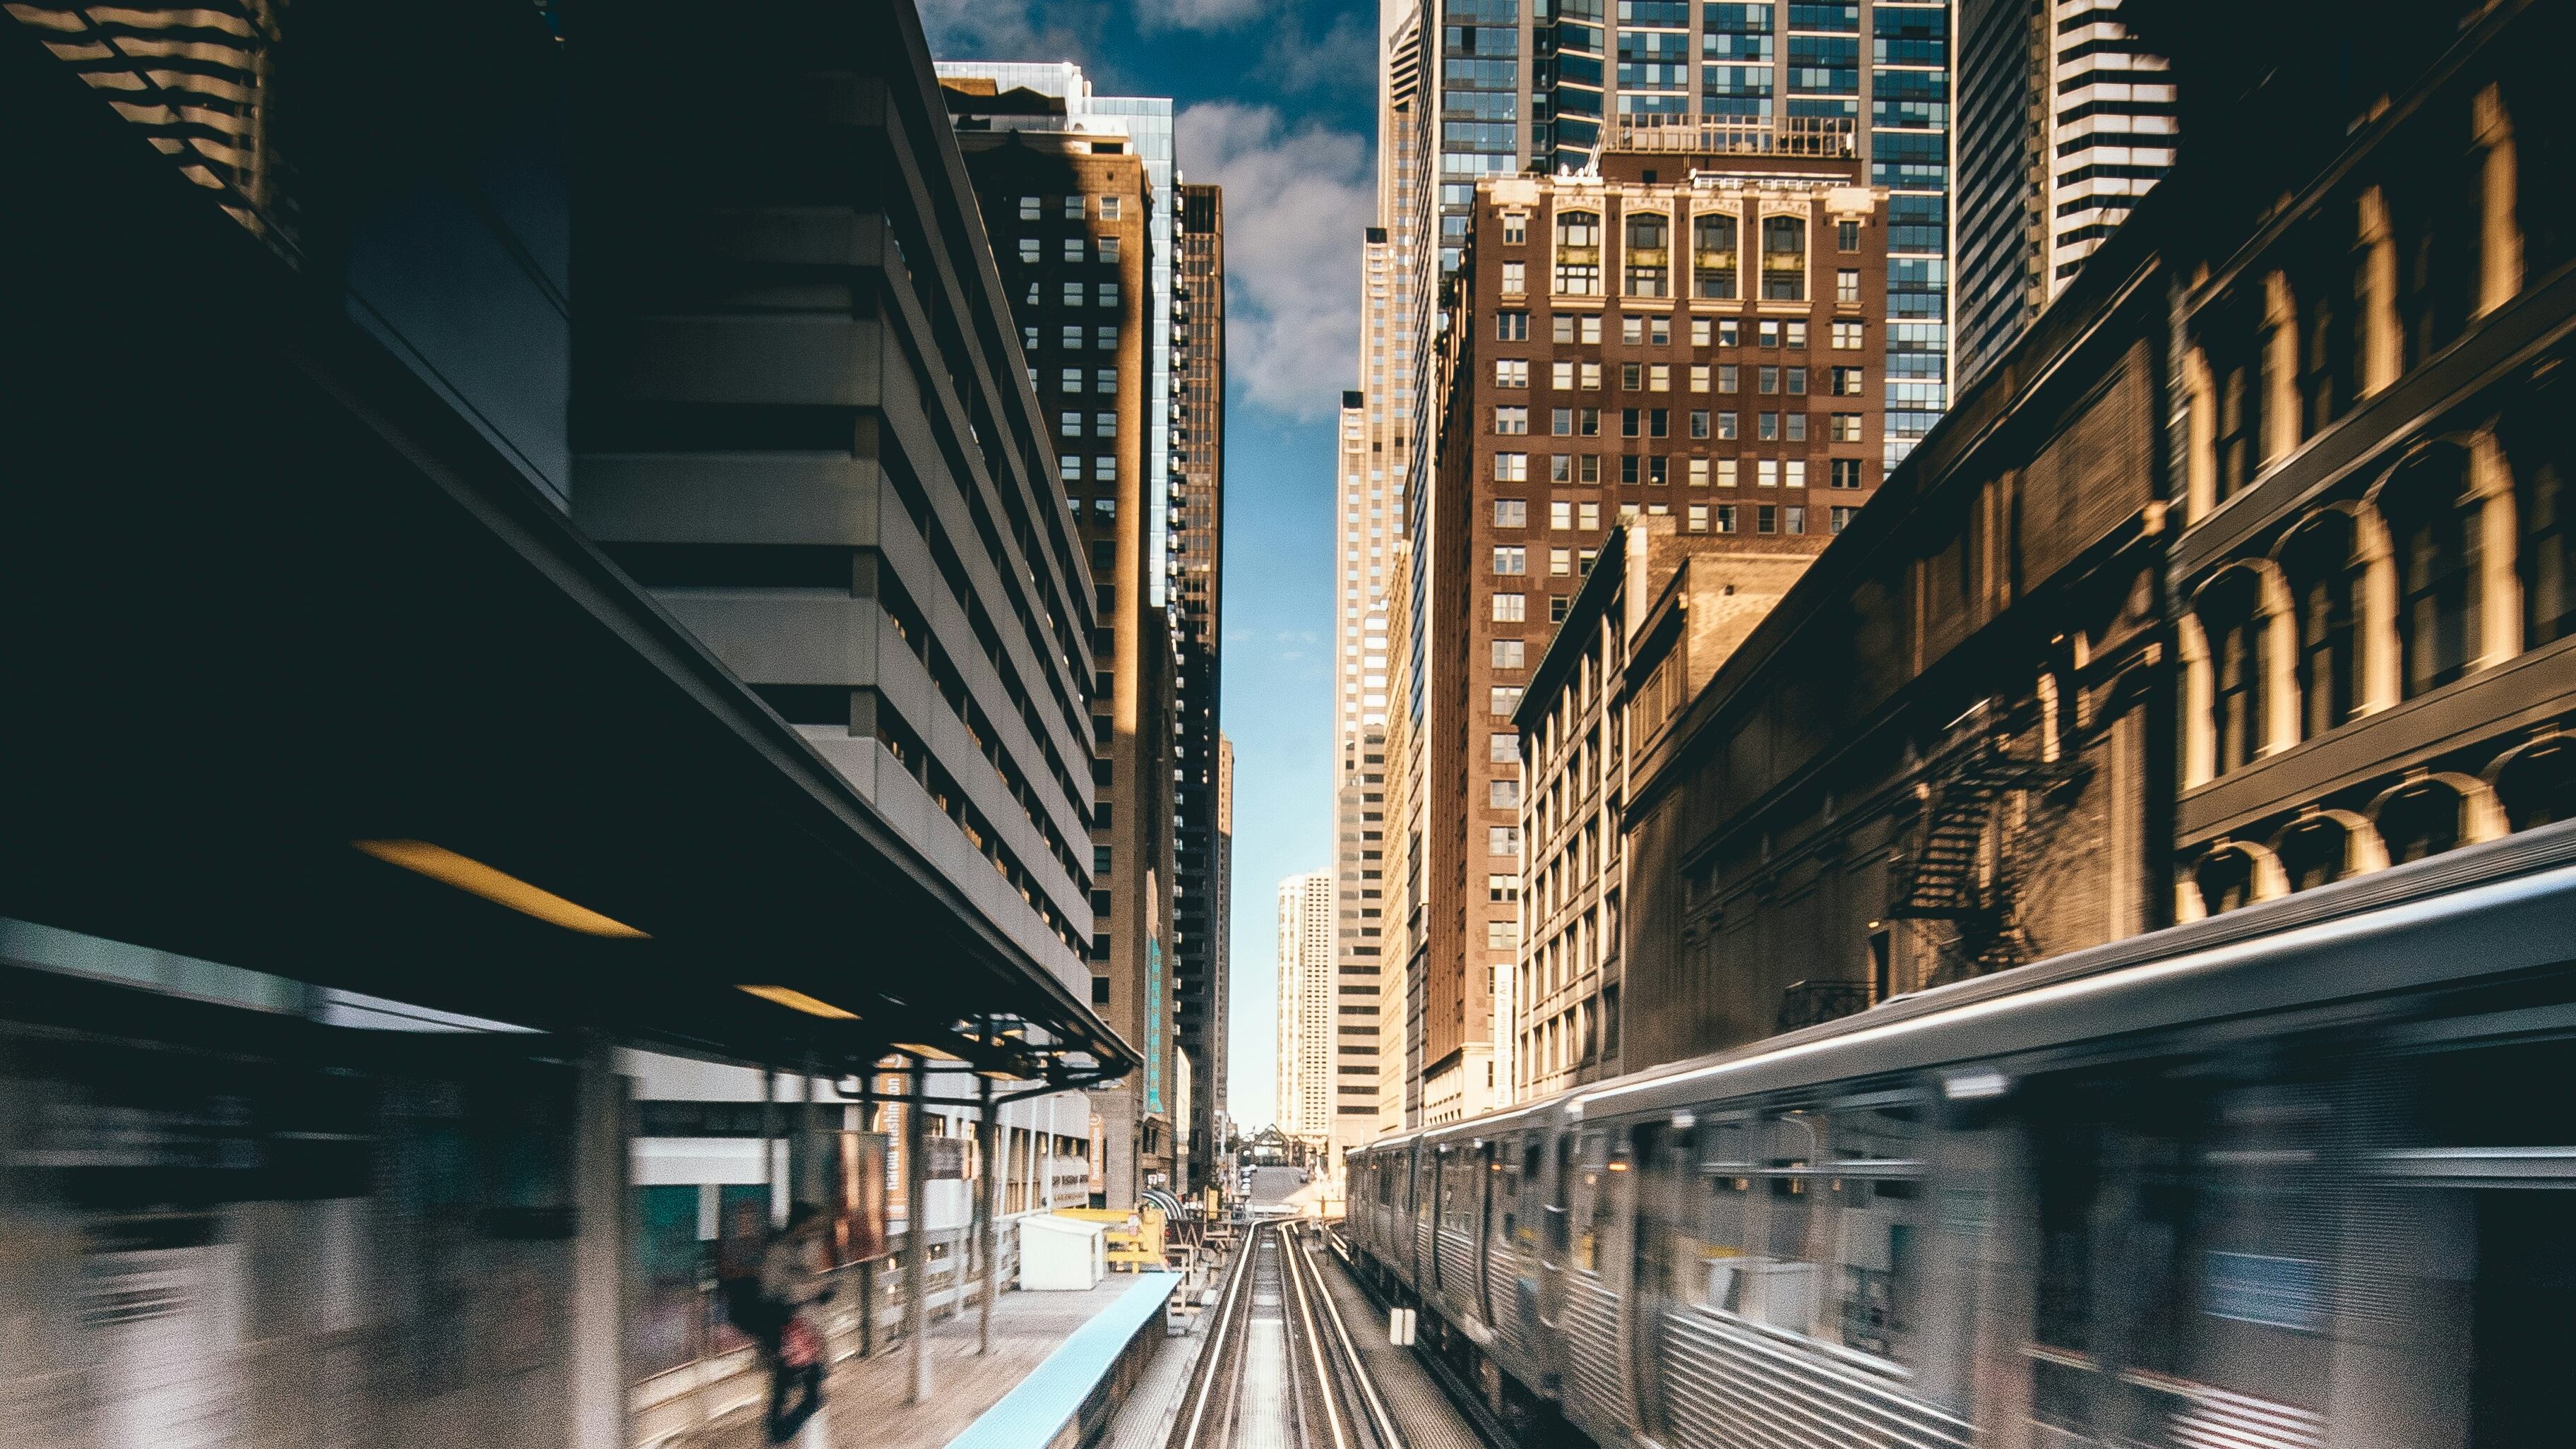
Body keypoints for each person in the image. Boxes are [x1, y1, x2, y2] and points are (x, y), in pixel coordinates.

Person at [762, 1203, 835, 1447]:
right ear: (800, 1224)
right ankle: (777, 1434)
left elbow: (817, 1287)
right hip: (790, 1337)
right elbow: (775, 1293)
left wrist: (820, 1289)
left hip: (806, 1337)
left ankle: (777, 1435)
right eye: (811, 1226)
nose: (814, 1232)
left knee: (806, 1393)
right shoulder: (780, 1252)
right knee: (805, 1396)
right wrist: (811, 1290)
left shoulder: (803, 1248)